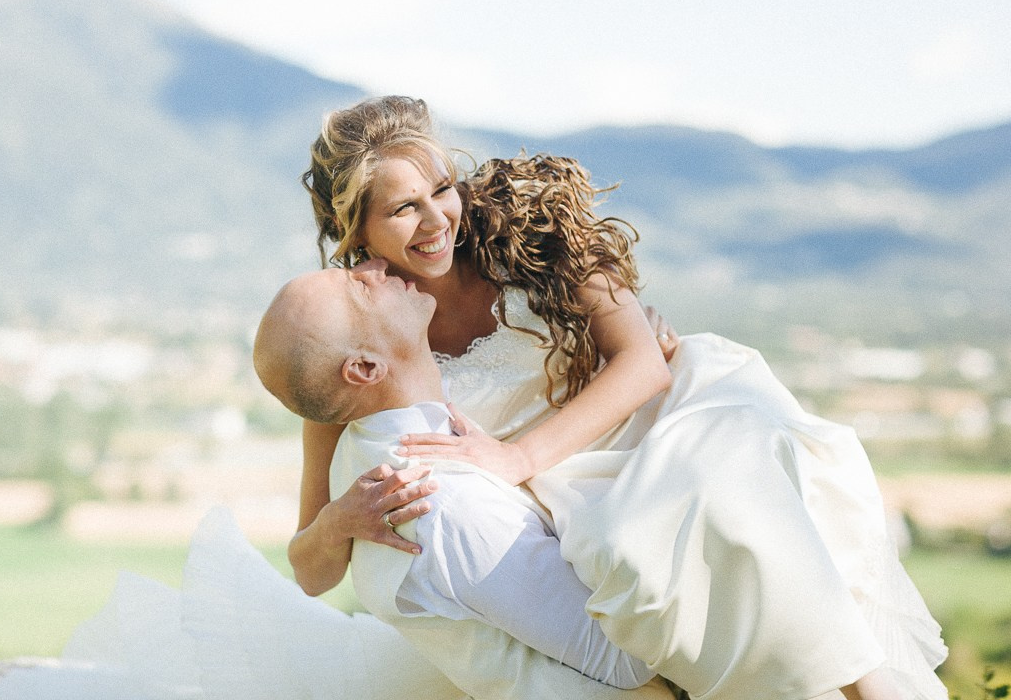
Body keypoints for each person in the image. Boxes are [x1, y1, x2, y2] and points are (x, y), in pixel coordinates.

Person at [292, 95, 949, 700]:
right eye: (405, 208)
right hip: (564, 493)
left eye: (442, 189)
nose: (438, 220)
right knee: (636, 565)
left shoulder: (530, 220)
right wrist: (339, 523)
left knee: (725, 484)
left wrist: (516, 458)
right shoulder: (350, 344)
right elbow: (311, 572)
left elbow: (642, 364)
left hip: (657, 417)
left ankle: (870, 688)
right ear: (353, 230)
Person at [252, 260, 661, 692]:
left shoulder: (369, 443)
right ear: (366, 369)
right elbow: (625, 661)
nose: (372, 267)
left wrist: (620, 328)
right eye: (360, 286)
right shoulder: (442, 505)